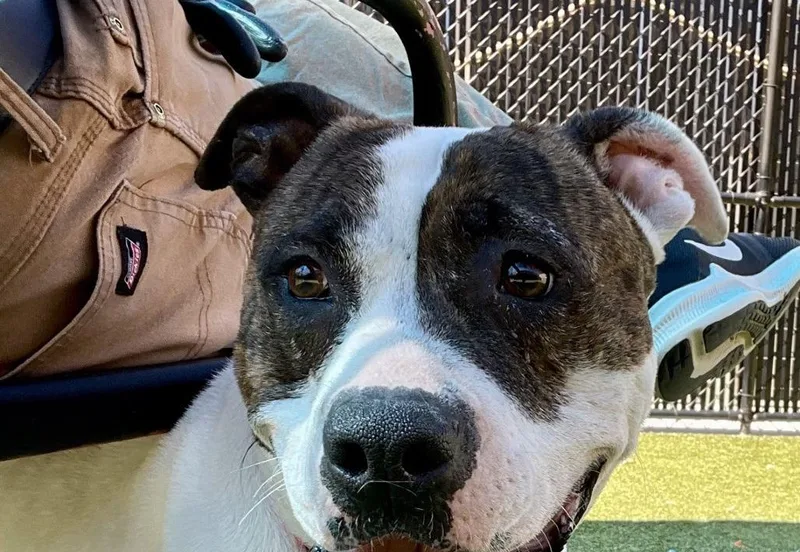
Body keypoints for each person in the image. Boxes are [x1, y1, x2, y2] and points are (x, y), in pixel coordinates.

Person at [1, 0, 798, 403]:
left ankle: (625, 246)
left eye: (526, 280)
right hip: (52, 111)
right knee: (300, 24)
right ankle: (643, 256)